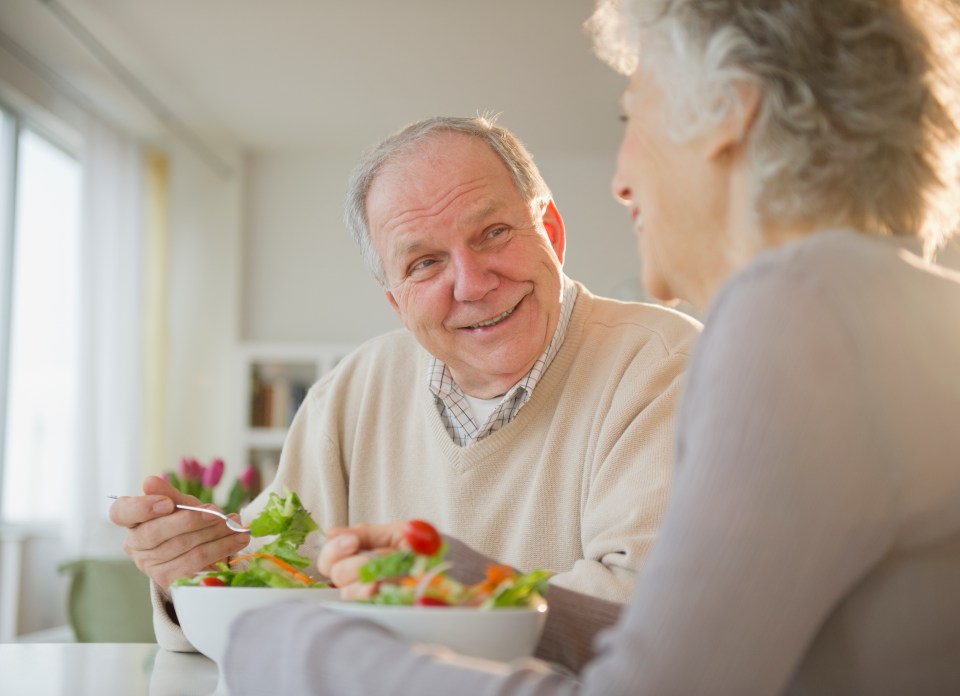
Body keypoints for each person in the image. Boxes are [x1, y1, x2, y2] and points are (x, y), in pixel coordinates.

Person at [221, 0, 960, 693]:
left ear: (731, 112)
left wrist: (293, 647)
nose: (621, 177)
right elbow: (694, 652)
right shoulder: (882, 303)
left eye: (631, 116)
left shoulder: (797, 313)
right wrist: (481, 585)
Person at [109, 116, 701, 651]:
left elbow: (650, 613)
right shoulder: (352, 390)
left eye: (493, 232)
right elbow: (274, 574)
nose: (471, 284)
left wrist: (412, 609)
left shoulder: (666, 365)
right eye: (424, 263)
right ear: (396, 300)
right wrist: (197, 566)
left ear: (550, 230)